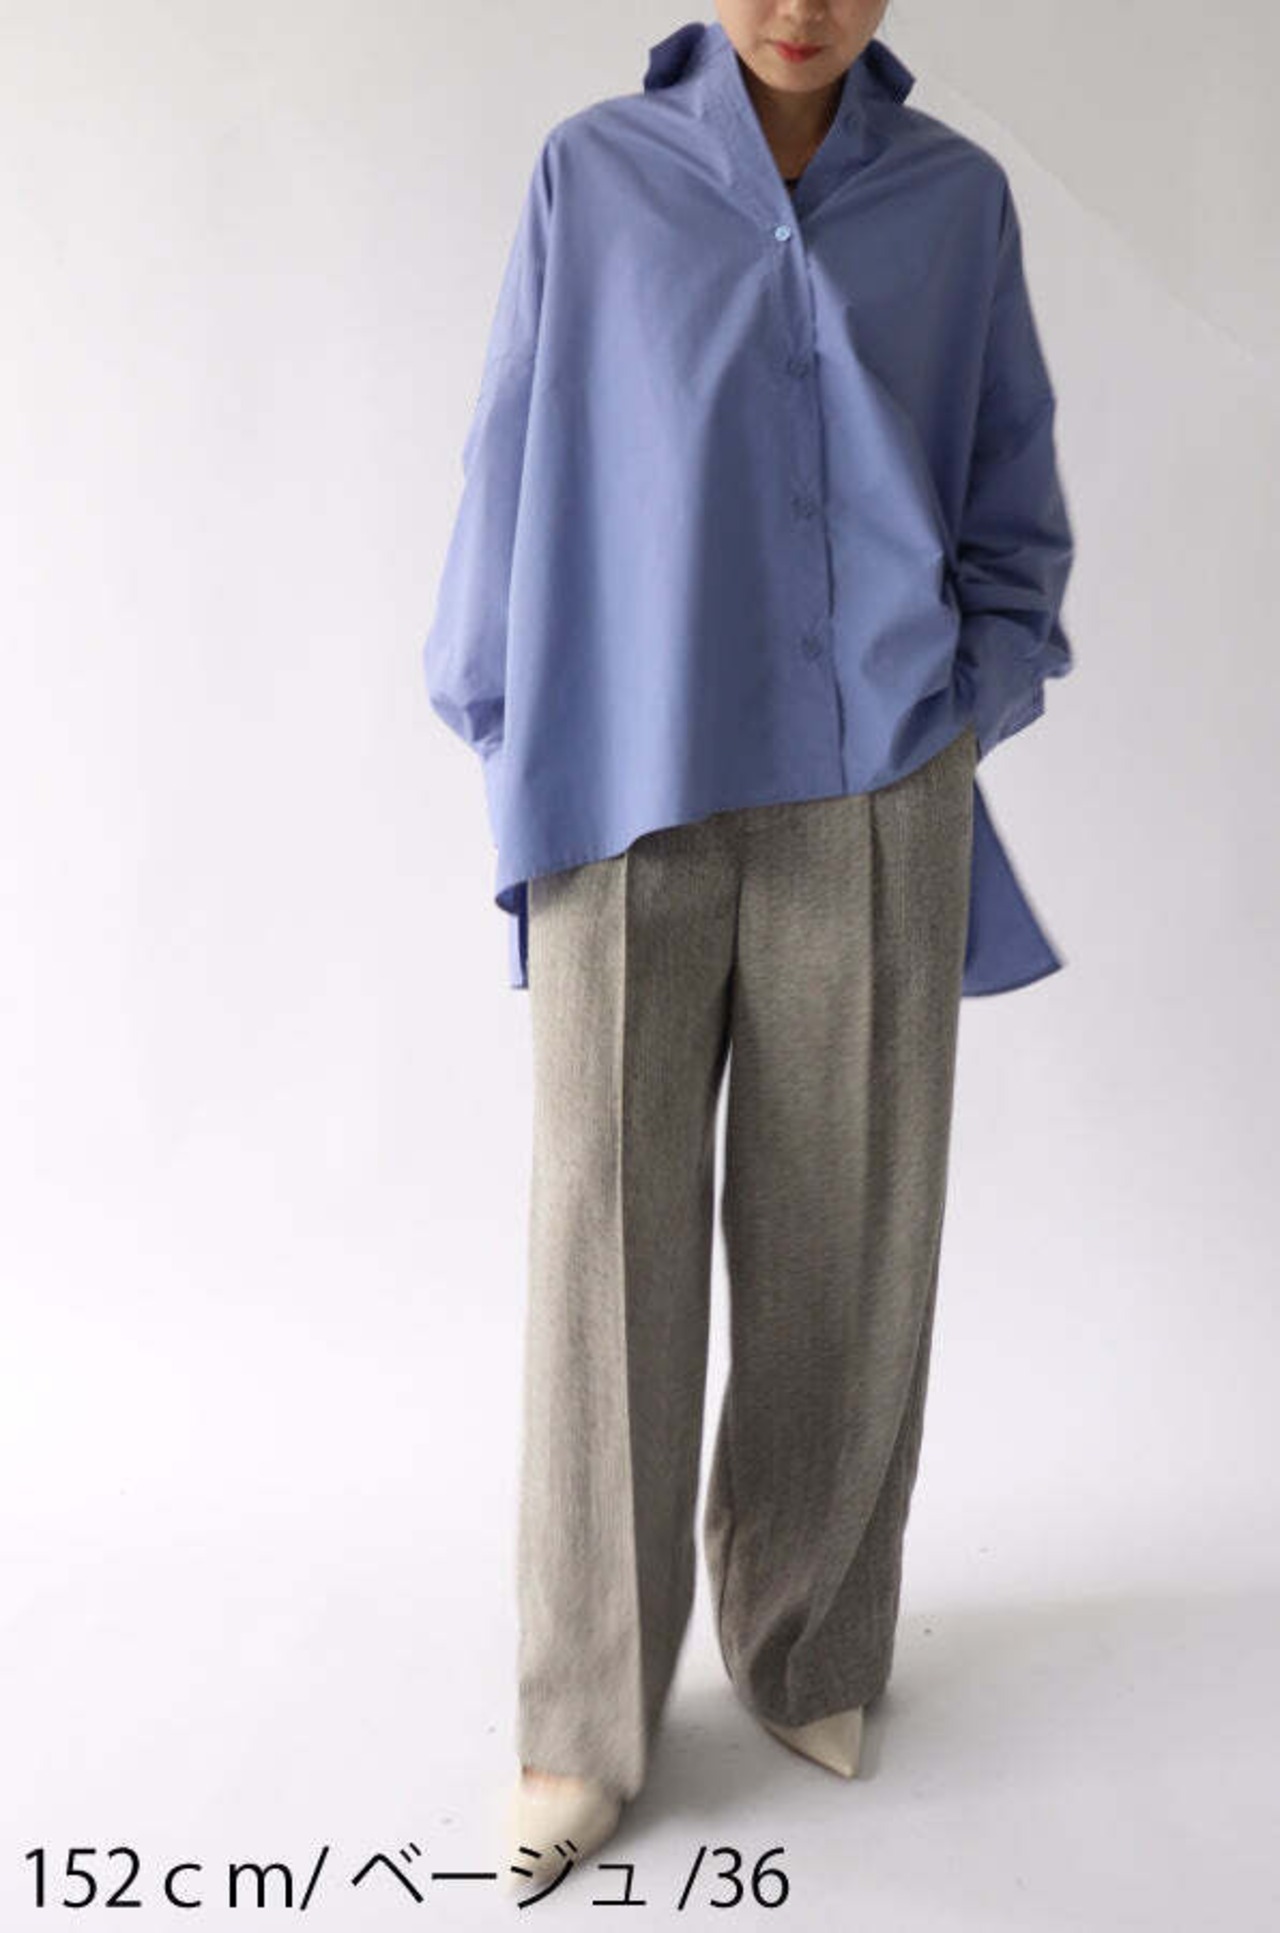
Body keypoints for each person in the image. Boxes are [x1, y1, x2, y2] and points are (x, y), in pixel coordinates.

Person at [422, 1, 1075, 1900]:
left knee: (846, 1241)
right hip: (624, 780)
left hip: (874, 784)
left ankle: (804, 1642)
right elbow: (507, 463)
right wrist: (507, 726)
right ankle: (582, 1717)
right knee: (603, 1252)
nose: (798, 5)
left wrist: (964, 701)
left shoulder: (957, 202)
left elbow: (1009, 494)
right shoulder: (594, 176)